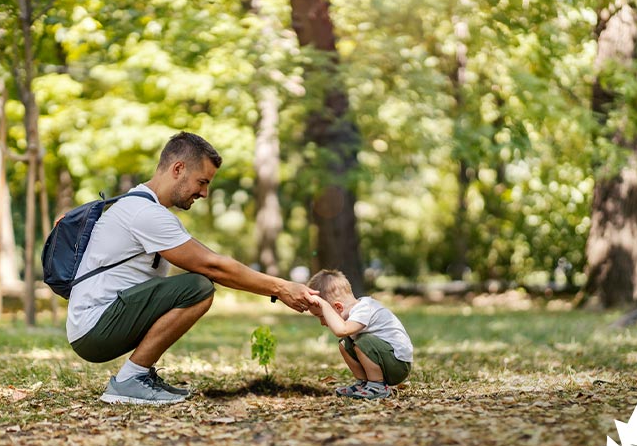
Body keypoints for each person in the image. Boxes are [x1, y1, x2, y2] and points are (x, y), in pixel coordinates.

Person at [67, 131, 318, 405]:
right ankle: (130, 380)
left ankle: (138, 376)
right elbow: (214, 266)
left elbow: (210, 259)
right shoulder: (145, 213)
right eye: (202, 182)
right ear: (178, 169)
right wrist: (281, 288)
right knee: (197, 288)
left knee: (193, 286)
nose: (204, 193)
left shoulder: (142, 206)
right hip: (95, 328)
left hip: (96, 323)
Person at [306, 269, 413, 399]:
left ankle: (377, 386)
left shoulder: (364, 309)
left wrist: (324, 305)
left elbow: (341, 330)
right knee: (345, 343)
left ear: (338, 307)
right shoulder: (355, 313)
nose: (323, 322)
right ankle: (363, 383)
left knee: (363, 342)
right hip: (384, 360)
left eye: (322, 316)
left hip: (398, 365)